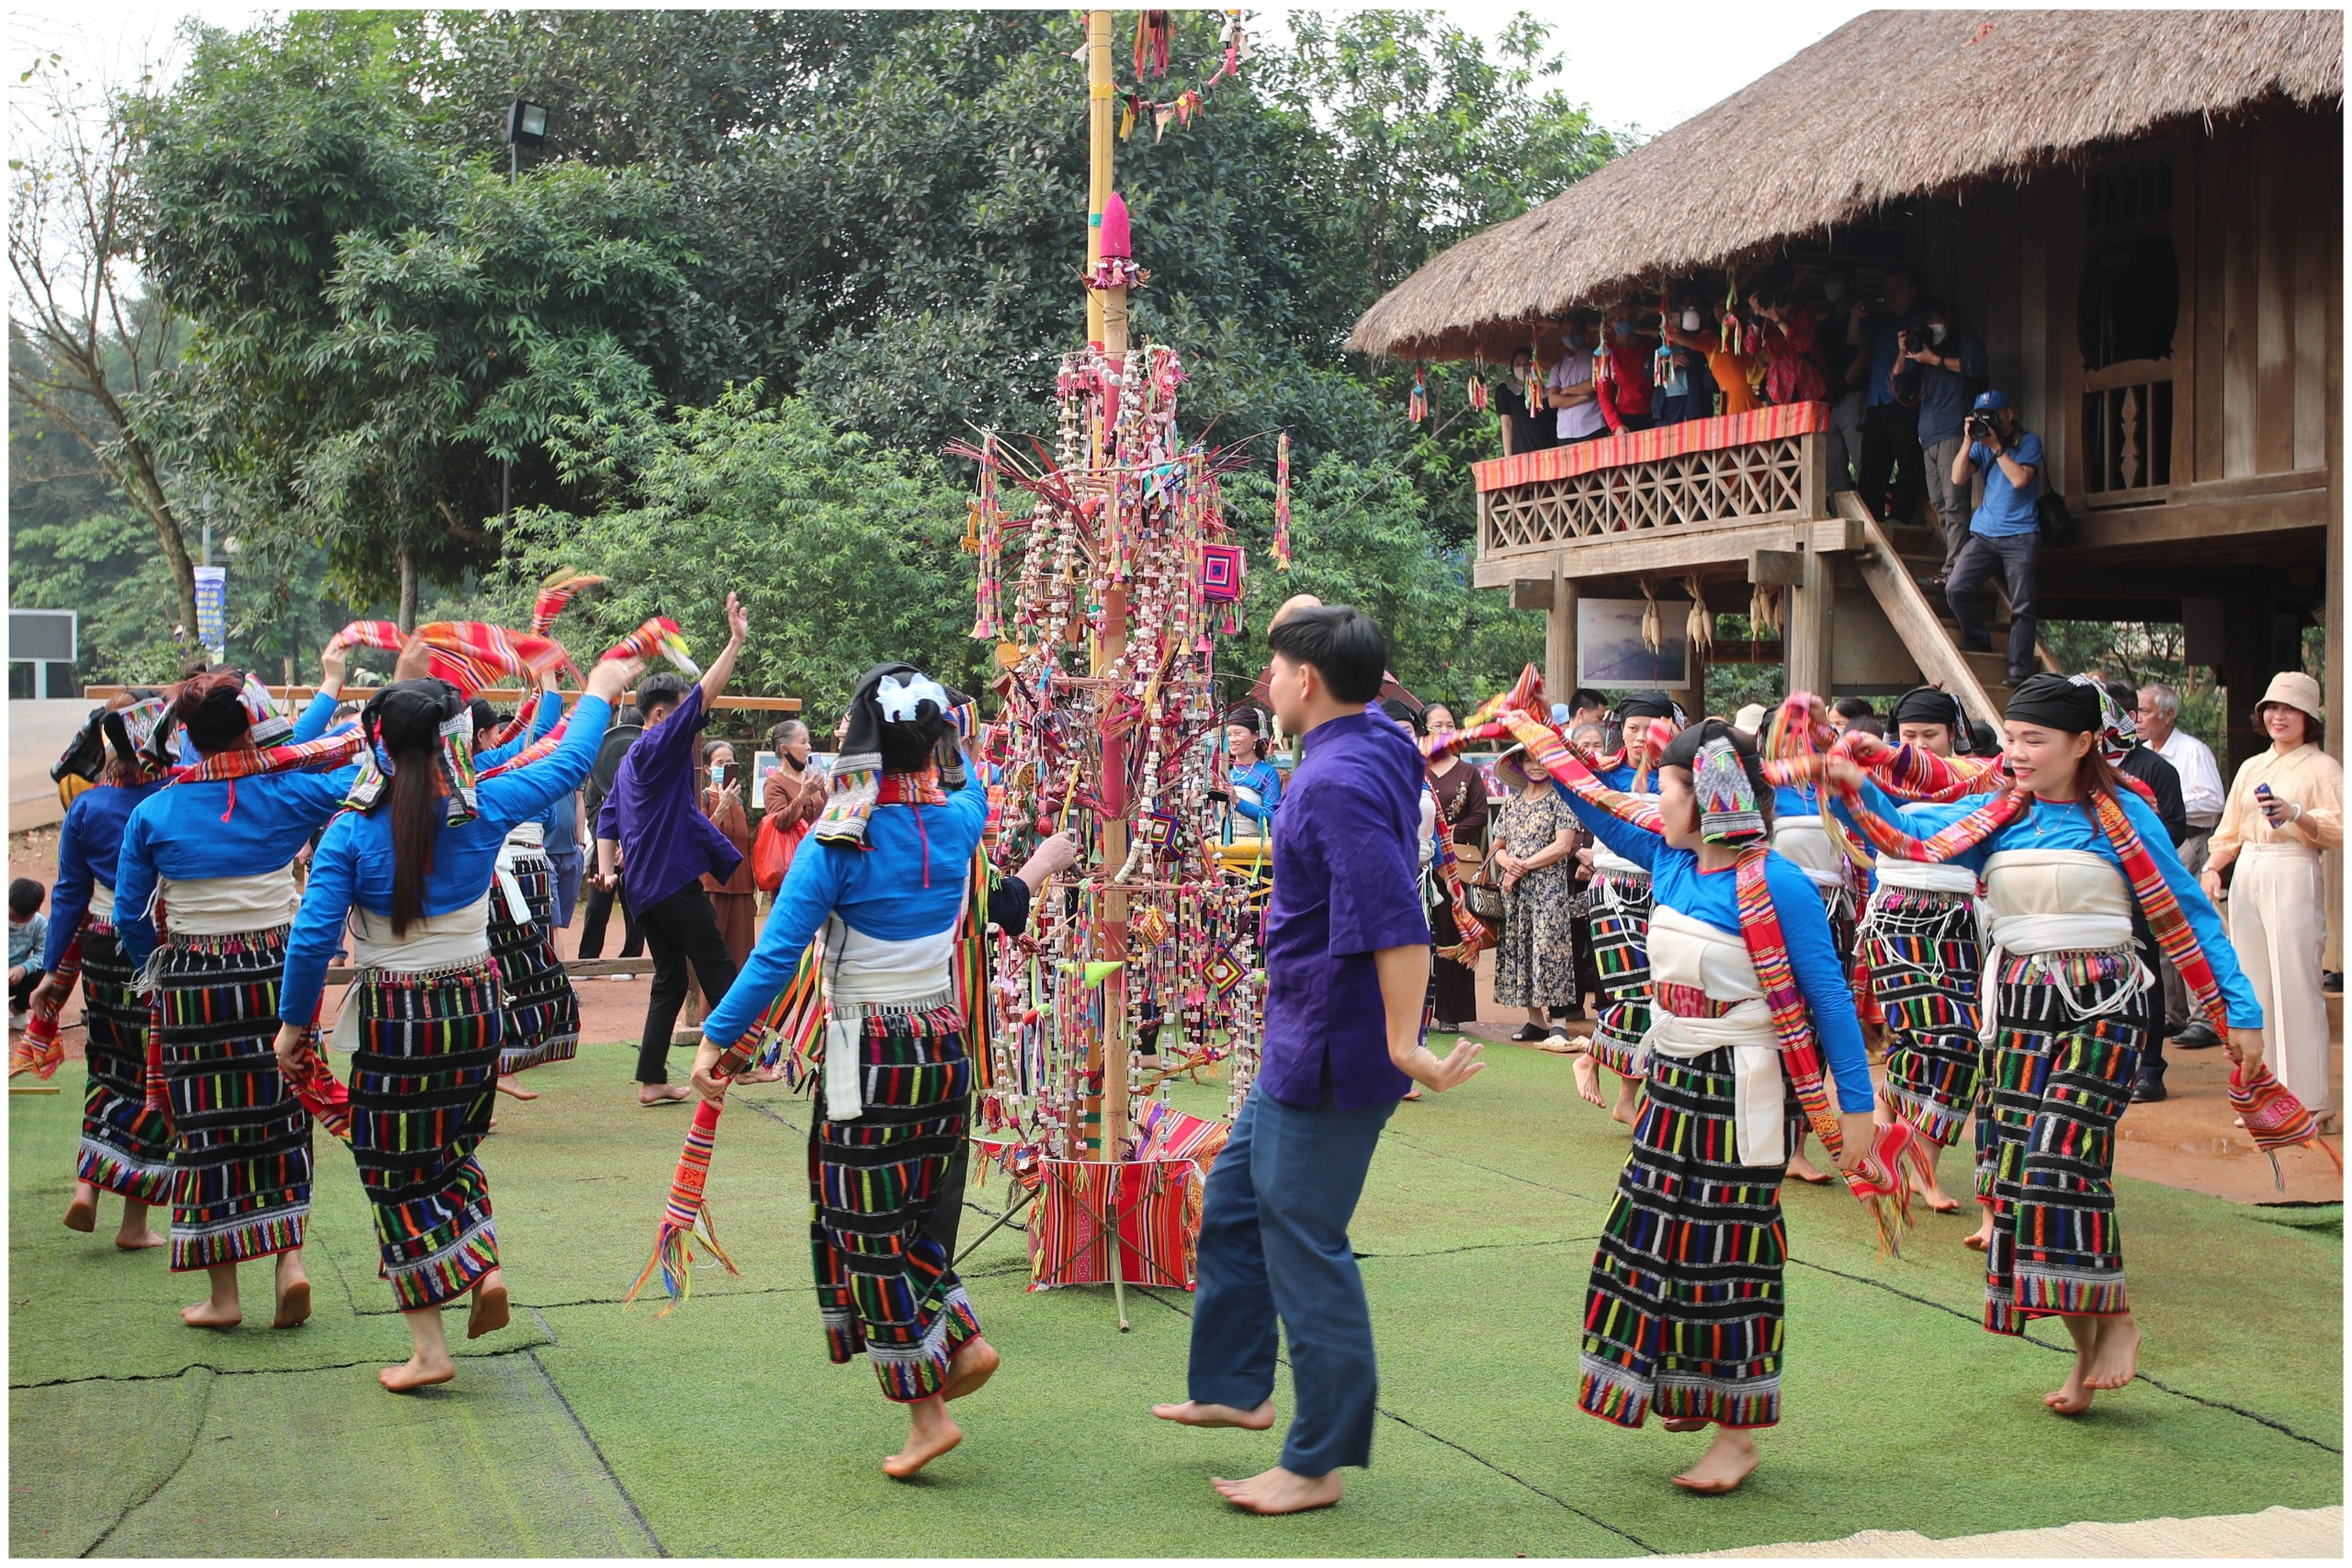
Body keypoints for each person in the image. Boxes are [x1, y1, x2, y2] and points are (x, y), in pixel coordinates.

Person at [1829, 673, 2262, 1416]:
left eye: (2035, 740)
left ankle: (2115, 1314)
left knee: (2064, 1156)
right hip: (2021, 1007)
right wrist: (1847, 785)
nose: (2017, 754)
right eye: (2011, 740)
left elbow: (2188, 912)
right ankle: (2083, 1350)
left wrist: (2240, 1009)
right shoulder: (1994, 814)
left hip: (2108, 1005)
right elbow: (1907, 834)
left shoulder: (2126, 814)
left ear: (2083, 743)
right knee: (2026, 1179)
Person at [1152, 604, 1483, 1517]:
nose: (1265, 680)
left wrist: (1403, 1043)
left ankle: (1318, 1460)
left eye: (1275, 666)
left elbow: (1395, 918)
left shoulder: (1334, 780)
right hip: (1299, 1031)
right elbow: (1328, 649)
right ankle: (1233, 1385)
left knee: (1305, 1244)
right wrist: (1313, 626)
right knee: (1233, 1200)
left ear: (1306, 681)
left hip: (1334, 1047)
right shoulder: (1375, 733)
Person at [275, 652, 634, 1391]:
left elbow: (313, 938)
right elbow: (569, 763)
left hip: (399, 1017)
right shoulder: (489, 802)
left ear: (379, 741)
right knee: (452, 1142)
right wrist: (598, 691)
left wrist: (291, 1028)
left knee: (392, 1167)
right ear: (454, 739)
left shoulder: (350, 829)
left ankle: (431, 1349)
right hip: (475, 1006)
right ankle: (485, 1264)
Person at [1532, 716, 1873, 1495]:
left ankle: (1740, 1434)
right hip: (1673, 1084)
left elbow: (1828, 1000)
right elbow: (1599, 806)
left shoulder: (1774, 882)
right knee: (1651, 1239)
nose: (1654, 797)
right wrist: (1546, 749)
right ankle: (1686, 1389)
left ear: (1712, 796)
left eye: (1671, 786)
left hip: (1740, 1089)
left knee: (1731, 1256)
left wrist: (1854, 1111)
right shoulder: (1670, 857)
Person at [690, 661, 996, 1480]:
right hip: (943, 1048)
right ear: (933, 738)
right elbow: (976, 775)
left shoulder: (838, 845)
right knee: (888, 1217)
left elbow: (772, 959)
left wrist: (715, 1038)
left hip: (870, 1057)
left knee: (863, 1225)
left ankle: (928, 1409)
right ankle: (956, 1340)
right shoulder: (963, 817)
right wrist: (953, 734)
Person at [114, 668, 351, 1331]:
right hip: (277, 971)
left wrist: (153, 972)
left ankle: (224, 1298)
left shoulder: (153, 811)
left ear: (186, 736)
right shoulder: (288, 791)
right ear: (250, 728)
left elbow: (132, 914)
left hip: (193, 982)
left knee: (206, 1129)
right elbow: (362, 778)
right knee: (284, 1111)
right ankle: (291, 1264)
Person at [595, 593, 751, 1104]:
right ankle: (742, 1064)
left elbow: (607, 819)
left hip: (640, 889)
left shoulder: (626, 763)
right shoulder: (658, 744)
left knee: (667, 979)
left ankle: (651, 1080)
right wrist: (734, 641)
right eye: (684, 714)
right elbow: (706, 693)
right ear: (661, 714)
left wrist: (607, 873)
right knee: (718, 967)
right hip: (668, 881)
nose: (693, 721)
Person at [40, 697, 175, 1247]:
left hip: (98, 949)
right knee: (150, 1079)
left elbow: (69, 894)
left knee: (104, 1063)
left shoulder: (87, 808)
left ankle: (85, 1189)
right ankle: (135, 1225)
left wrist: (52, 970)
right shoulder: (168, 800)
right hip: (154, 953)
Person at [1852, 687, 1990, 1219]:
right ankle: (1911, 1161)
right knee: (1916, 1036)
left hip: (1957, 917)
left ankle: (1912, 1155)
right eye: (1907, 736)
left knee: (1956, 1041)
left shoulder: (1979, 778)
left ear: (1953, 734)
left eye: (1929, 736)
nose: (1917, 747)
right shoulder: (1878, 777)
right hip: (1894, 917)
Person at [2201, 671, 2343, 1129]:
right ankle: (2265, 1095)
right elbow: (2231, 831)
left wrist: (2297, 814)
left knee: (2296, 983)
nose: (2278, 716)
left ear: (2309, 717)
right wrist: (2212, 868)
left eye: (2290, 708)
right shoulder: (2251, 767)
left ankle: (2311, 1099)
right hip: (2250, 870)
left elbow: (2340, 824)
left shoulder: (2321, 767)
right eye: (2271, 708)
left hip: (2293, 863)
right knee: (2254, 985)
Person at [1577, 693, 1677, 1124]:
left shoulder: (1679, 778)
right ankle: (1592, 1059)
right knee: (1630, 991)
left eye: (1651, 727)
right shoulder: (1604, 773)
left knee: (1656, 994)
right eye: (1632, 728)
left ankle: (1625, 1096)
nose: (1640, 737)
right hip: (1614, 889)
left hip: (1666, 889)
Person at [474, 675, 577, 1091]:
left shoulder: (473, 765)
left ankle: (495, 1062)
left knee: (504, 963)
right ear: (481, 734)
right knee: (516, 963)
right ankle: (500, 1057)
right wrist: (551, 686)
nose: (502, 737)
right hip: (510, 870)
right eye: (496, 732)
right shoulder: (490, 767)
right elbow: (547, 737)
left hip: (514, 868)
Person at [2099, 682, 2187, 1103]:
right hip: (2095, 893)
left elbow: (2174, 829)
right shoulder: (2083, 765)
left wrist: (2126, 847)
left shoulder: (2155, 769)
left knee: (2146, 977)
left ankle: (2150, 1069)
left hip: (2138, 891)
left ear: (2129, 717)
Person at [2137, 682, 2228, 1051]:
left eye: (2144, 711)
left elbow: (2212, 801)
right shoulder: (2140, 753)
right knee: (2158, 928)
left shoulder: (2192, 751)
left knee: (2190, 927)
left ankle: (2204, 1016)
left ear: (2168, 715)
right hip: (2156, 845)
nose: (2138, 719)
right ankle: (2173, 1014)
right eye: (2136, 712)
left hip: (2189, 838)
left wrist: (2166, 804)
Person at [1943, 390, 2045, 687]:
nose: (1987, 421)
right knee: (1956, 587)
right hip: (1985, 533)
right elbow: (1957, 478)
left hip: (2021, 534)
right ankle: (1978, 639)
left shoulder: (2028, 442)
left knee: (2022, 605)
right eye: (1981, 416)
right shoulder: (1980, 444)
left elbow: (2020, 479)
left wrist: (1997, 447)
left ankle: (2018, 670)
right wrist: (1968, 441)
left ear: (2009, 414)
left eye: (1993, 415)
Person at [1488, 747, 1578, 1049]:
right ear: (1520, 765)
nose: (1536, 766)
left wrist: (1522, 866)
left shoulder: (1560, 799)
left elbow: (1563, 846)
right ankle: (1535, 1019)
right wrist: (1506, 863)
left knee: (1550, 949)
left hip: (1548, 888)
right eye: (1529, 760)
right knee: (1520, 948)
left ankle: (1559, 1022)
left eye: (1541, 760)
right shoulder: (1512, 802)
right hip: (1516, 891)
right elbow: (1497, 845)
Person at [1903, 299, 1990, 581]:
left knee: (1955, 503)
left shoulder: (1962, 342)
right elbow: (1902, 387)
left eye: (1935, 321)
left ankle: (1957, 569)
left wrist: (1936, 360)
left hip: (1953, 431)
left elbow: (1977, 367)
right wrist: (1902, 353)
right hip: (1927, 435)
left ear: (1947, 320)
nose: (1932, 328)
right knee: (1940, 504)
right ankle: (1954, 562)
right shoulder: (1924, 350)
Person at [1417, 703, 1488, 1033]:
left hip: (1452, 863)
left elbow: (1479, 814)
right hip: (1415, 862)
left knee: (1451, 930)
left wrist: (1445, 833)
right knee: (1417, 937)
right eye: (1436, 726)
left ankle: (1451, 1012)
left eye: (1449, 726)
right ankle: (1416, 1009)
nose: (1444, 731)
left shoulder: (1468, 772)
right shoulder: (1413, 768)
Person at [1849, 265, 1927, 524]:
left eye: (1896, 288)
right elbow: (1854, 340)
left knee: (1907, 460)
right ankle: (1869, 518)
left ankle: (1900, 517)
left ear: (1912, 291)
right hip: (1877, 399)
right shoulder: (1881, 320)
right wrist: (1857, 316)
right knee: (1872, 463)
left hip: (1904, 399)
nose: (1890, 294)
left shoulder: (1919, 321)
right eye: (1887, 289)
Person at [575, 703, 645, 967]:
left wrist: (629, 844)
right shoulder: (599, 771)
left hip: (636, 851)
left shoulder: (647, 768)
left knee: (634, 908)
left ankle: (630, 961)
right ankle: (587, 960)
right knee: (596, 907)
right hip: (605, 850)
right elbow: (593, 809)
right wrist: (609, 842)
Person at [699, 739, 758, 969]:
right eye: (719, 763)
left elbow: (746, 847)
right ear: (707, 769)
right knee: (712, 959)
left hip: (742, 888)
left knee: (742, 958)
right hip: (712, 887)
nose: (725, 767)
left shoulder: (740, 802)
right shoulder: (702, 798)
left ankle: (742, 1006)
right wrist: (722, 807)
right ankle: (710, 1007)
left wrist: (751, 889)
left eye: (730, 762)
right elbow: (701, 840)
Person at [1659, 297, 1757, 417]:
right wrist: (1674, 334)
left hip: (1758, 399)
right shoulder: (1711, 338)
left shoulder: (1749, 334)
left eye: (1726, 306)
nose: (1722, 311)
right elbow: (1691, 341)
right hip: (1734, 405)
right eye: (1719, 307)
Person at [1745, 283, 1829, 406]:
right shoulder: (1765, 316)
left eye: (1780, 309)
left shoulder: (1804, 311)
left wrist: (1777, 320)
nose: (1777, 311)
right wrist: (1757, 314)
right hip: (1779, 387)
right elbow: (1751, 349)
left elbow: (1802, 345)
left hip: (1809, 385)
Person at [1544, 314, 1610, 444]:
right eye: (1565, 332)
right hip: (1565, 433)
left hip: (1593, 427)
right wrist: (1583, 397)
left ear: (1584, 330)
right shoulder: (1558, 366)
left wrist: (1566, 391)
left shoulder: (1596, 357)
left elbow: (1595, 384)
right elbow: (1553, 401)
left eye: (1574, 331)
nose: (1570, 335)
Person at [1593, 300, 1656, 434]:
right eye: (1619, 319)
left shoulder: (1649, 344)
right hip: (1624, 418)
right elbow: (1603, 393)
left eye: (1629, 317)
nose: (1625, 322)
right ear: (1610, 323)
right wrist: (1616, 425)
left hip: (1653, 412)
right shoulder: (1606, 353)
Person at [1223, 710, 1283, 844]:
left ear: (1255, 735)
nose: (1232, 739)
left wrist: (1238, 801)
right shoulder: (1223, 770)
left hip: (1251, 852)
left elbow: (1273, 818)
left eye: (1238, 733)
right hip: (1216, 850)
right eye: (1228, 735)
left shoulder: (1267, 773)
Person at [1493, 347, 1555, 457]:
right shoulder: (1506, 391)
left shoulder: (1547, 392)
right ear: (1512, 367)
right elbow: (1507, 424)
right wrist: (1508, 457)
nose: (1522, 367)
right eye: (1518, 364)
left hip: (1548, 451)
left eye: (1526, 363)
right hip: (1521, 452)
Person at [9, 879, 48, 1027]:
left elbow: (45, 953)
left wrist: (23, 968)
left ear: (34, 912)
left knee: (51, 972)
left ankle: (15, 1010)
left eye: (21, 919)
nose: (14, 922)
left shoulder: (39, 924)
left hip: (16, 978)